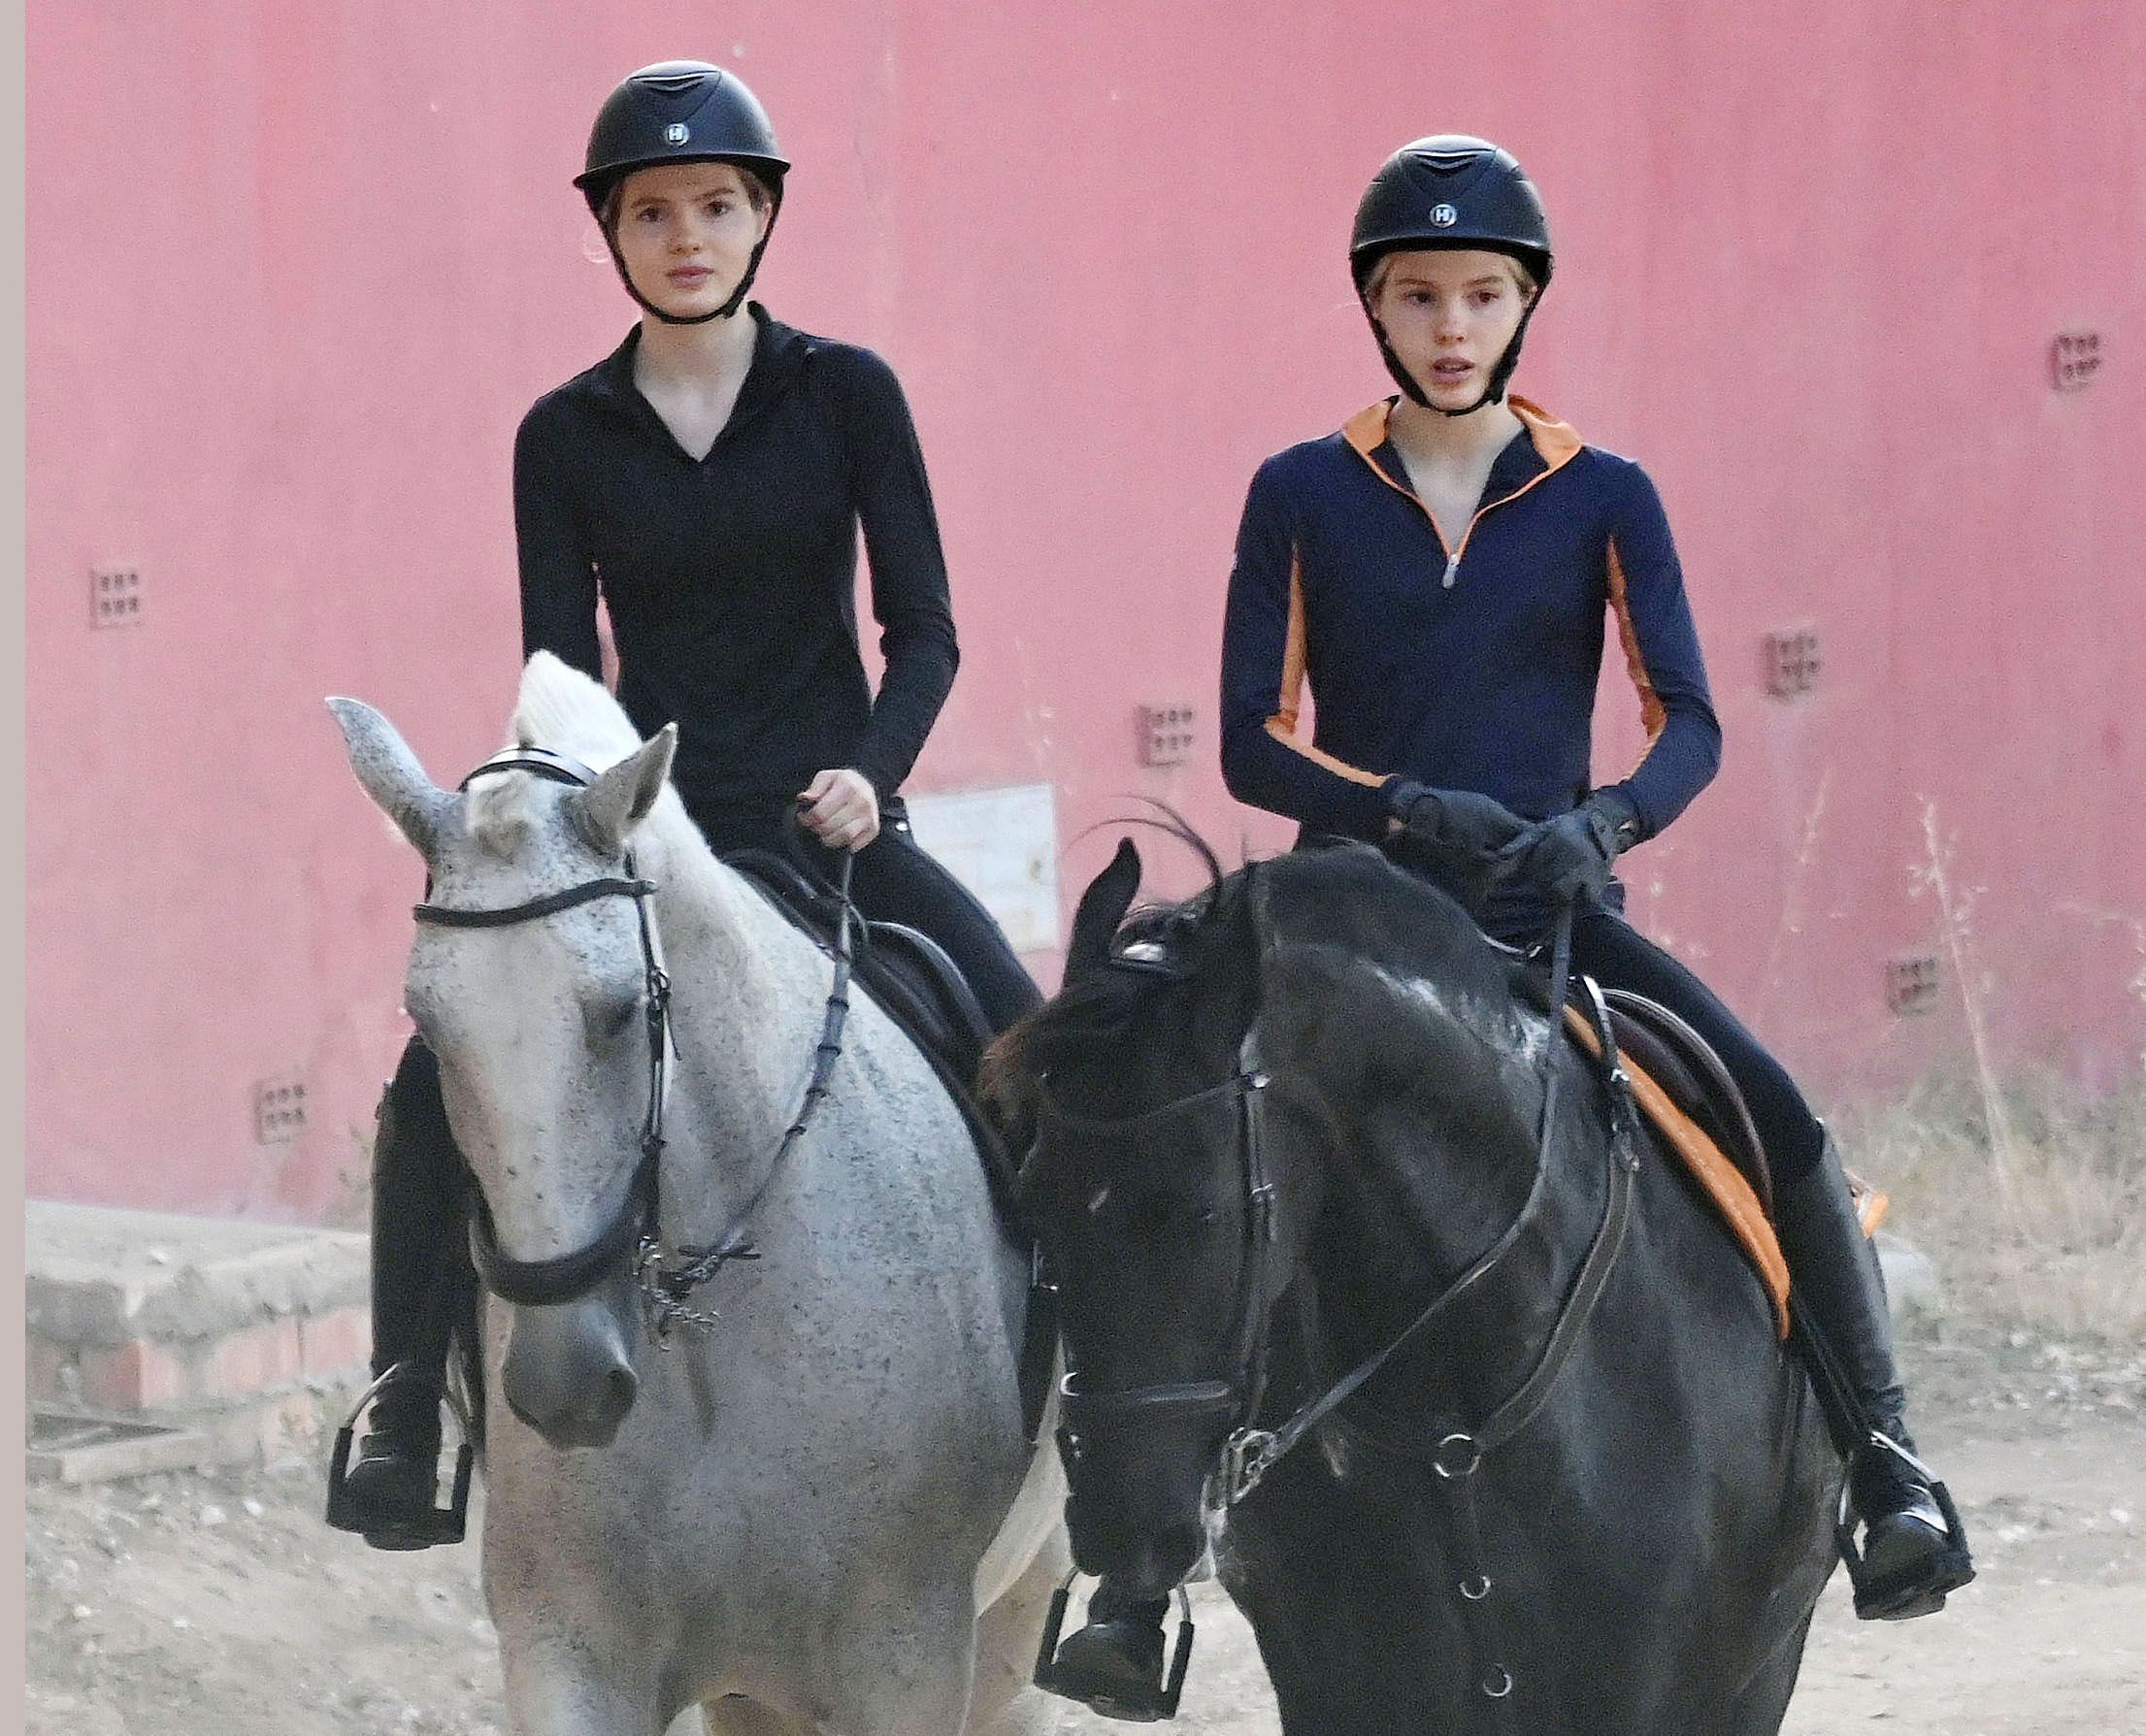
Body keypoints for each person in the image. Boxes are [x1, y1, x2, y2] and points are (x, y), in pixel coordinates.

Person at [1043, 134, 1973, 1717]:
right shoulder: (1300, 492)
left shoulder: (1606, 494)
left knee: (1780, 1114)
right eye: (1421, 296)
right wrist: (1410, 809)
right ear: (1377, 310)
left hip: (1549, 913)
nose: (1452, 322)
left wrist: (1602, 824)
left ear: (1524, 303)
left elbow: (1690, 719)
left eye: (1483, 293)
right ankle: (1137, 1581)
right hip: (1348, 927)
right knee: (1193, 1151)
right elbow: (1253, 737)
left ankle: (1885, 1461)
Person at [329, 60, 1040, 1549]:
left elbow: (928, 631)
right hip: (634, 839)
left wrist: (875, 772)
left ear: (764, 215)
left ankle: (1080, 1430)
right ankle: (404, 1402)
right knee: (422, 1078)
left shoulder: (849, 395)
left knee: (1021, 1043)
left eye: (718, 203)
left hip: (824, 829)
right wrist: (548, 814)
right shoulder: (562, 433)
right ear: (611, 232)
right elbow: (554, 666)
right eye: (652, 211)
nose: (687, 234)